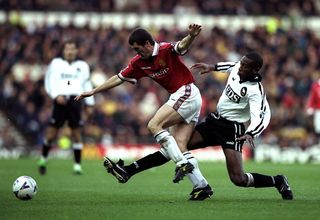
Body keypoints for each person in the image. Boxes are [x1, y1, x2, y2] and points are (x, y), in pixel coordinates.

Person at [103, 52, 293, 200]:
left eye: (245, 65)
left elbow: (259, 115)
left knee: (238, 179)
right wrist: (212, 67)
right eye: (241, 62)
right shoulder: (238, 68)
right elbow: (230, 66)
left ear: (255, 70)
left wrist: (251, 133)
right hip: (214, 121)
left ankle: (277, 180)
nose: (240, 66)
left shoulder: (255, 90)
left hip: (232, 130)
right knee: (176, 147)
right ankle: (129, 170)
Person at [75, 24, 211, 196]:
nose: (136, 52)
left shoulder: (165, 49)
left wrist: (191, 36)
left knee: (154, 125)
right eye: (133, 50)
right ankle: (201, 185)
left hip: (186, 91)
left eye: (137, 48)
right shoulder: (138, 63)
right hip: (183, 97)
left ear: (147, 43)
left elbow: (181, 46)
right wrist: (94, 91)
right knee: (177, 146)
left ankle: (181, 163)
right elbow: (119, 78)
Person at [38, 39, 95, 175]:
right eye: (67, 49)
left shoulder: (83, 65)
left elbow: (87, 84)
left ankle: (77, 166)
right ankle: (43, 160)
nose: (69, 51)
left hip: (76, 100)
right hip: (60, 100)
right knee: (51, 133)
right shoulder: (56, 64)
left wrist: (90, 103)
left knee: (76, 133)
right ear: (64, 51)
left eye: (72, 49)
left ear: (76, 50)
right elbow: (49, 81)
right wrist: (56, 95)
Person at [306, 74, 320, 144]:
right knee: (318, 128)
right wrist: (310, 107)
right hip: (318, 110)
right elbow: (312, 97)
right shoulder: (316, 86)